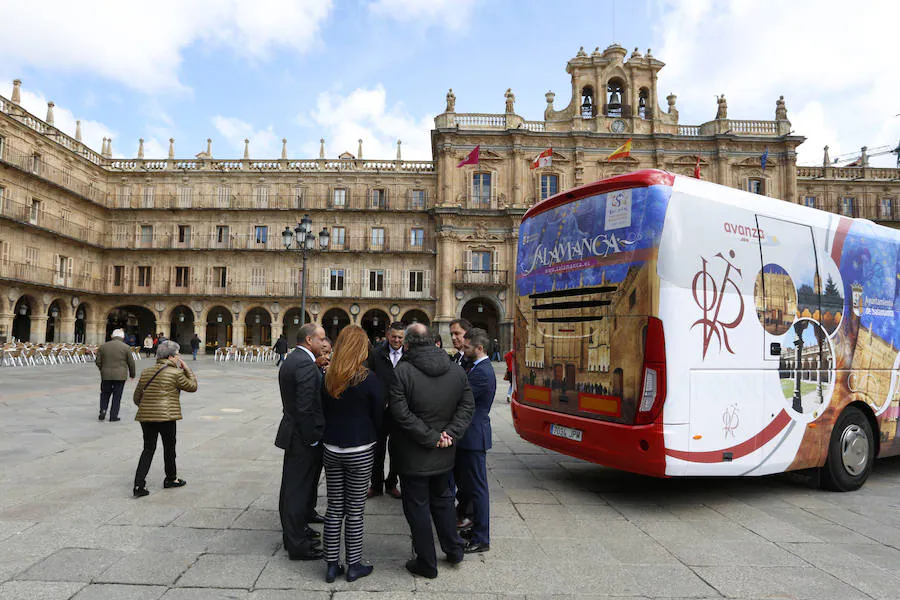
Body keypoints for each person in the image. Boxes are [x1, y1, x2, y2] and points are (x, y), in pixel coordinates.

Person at [389, 323, 474, 579]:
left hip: (414, 454)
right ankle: (454, 549)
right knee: (443, 501)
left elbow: (400, 413)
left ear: (408, 344)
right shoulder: (455, 369)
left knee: (417, 507)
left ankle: (426, 562)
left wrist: (432, 437)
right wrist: (449, 434)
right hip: (444, 452)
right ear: (434, 342)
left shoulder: (401, 371)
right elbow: (467, 406)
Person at [320, 325, 383, 583]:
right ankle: (353, 564)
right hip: (359, 449)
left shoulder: (328, 376)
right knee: (355, 510)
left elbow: (323, 410)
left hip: (332, 447)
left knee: (334, 508)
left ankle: (331, 565)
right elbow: (379, 412)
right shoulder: (367, 378)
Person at [275, 324, 328, 560]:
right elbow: (306, 406)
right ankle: (296, 544)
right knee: (296, 490)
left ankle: (296, 533)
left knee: (292, 487)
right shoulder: (305, 364)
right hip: (301, 436)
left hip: (293, 431)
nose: (324, 343)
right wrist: (313, 437)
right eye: (322, 339)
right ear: (309, 340)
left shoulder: (294, 359)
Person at [132, 340, 197, 497]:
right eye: (178, 354)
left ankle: (138, 485)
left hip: (146, 417)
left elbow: (136, 398)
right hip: (167, 416)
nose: (179, 357)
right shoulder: (175, 373)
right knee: (169, 448)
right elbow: (192, 387)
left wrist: (148, 407)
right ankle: (170, 479)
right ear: (172, 357)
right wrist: (187, 369)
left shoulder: (147, 372)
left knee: (148, 449)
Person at [455, 328, 496, 554]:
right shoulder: (476, 367)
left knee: (479, 489)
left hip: (473, 437)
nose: (464, 348)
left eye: (468, 347)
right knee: (471, 488)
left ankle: (482, 538)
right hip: (469, 436)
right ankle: (477, 530)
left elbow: (462, 397)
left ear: (479, 348)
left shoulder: (482, 373)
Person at [367, 322, 405, 499]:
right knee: (378, 451)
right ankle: (376, 485)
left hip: (400, 410)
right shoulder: (376, 353)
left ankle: (392, 484)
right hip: (380, 410)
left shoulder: (409, 355)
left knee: (397, 450)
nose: (396, 340)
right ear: (388, 335)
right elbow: (369, 376)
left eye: (400, 337)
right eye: (394, 336)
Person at [95, 328, 136, 422]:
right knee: (117, 396)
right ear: (123, 337)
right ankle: (113, 416)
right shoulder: (126, 347)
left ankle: (103, 410)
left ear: (112, 336)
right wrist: (132, 374)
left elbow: (98, 361)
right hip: (120, 376)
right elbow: (131, 363)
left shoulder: (103, 346)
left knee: (105, 393)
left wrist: (103, 369)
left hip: (106, 375)